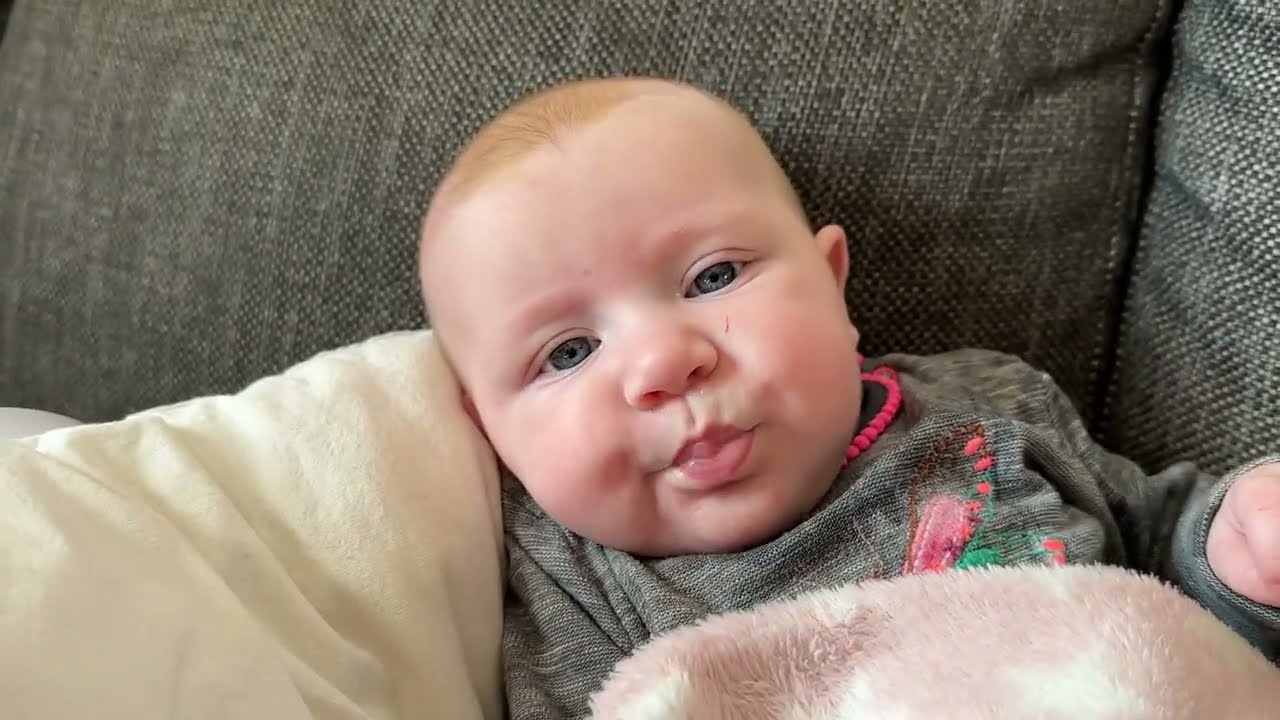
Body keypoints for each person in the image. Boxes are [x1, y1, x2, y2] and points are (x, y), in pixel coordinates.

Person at [417, 76, 1280, 719]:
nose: (664, 364)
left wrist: (1237, 549)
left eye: (712, 276)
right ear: (485, 428)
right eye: (568, 352)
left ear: (833, 284)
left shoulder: (985, 404)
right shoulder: (573, 577)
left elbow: (1153, 544)